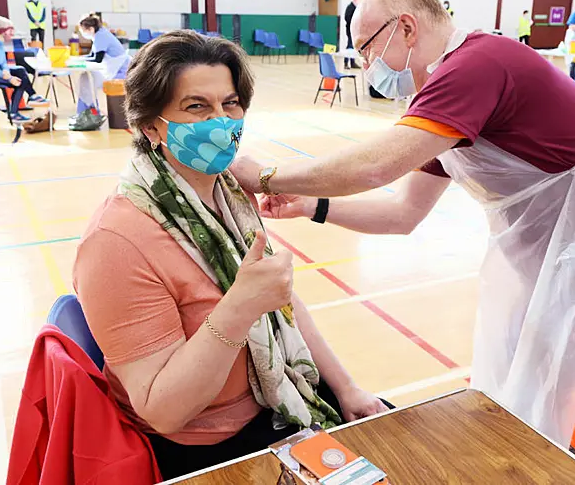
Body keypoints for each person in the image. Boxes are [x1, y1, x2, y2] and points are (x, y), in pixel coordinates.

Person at [230, 0, 575, 485]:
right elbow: (403, 214)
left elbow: (379, 166)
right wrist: (313, 206)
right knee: (548, 410)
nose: (366, 64)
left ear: (406, 27)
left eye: (366, 47)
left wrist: (267, 176)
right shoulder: (443, 94)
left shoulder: (476, 65)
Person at [72, 30, 389, 480]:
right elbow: (163, 411)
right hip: (212, 447)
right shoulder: (115, 242)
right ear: (149, 125)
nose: (220, 121)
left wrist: (347, 388)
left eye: (231, 103)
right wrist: (238, 308)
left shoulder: (227, 195)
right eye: (196, 106)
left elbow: (283, 305)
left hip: (281, 395)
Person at [0, 16, 47, 122]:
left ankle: (32, 95)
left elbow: (3, 62)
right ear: (3, 31)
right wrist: (10, 78)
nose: (13, 33)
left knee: (20, 70)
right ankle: (14, 113)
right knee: (18, 82)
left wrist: (6, 71)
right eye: (11, 30)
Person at [72, 14, 131, 122]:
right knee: (85, 78)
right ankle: (88, 111)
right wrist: (79, 59)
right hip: (112, 69)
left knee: (87, 80)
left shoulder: (101, 36)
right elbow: (92, 55)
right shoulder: (99, 34)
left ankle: (90, 112)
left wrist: (82, 60)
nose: (83, 34)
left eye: (83, 31)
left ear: (90, 29)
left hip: (119, 72)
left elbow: (97, 59)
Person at [343, 0, 359, 69]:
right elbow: (347, 18)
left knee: (353, 47)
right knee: (349, 46)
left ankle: (352, 63)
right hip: (350, 31)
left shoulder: (355, 8)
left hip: (354, 31)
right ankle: (346, 63)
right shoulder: (350, 7)